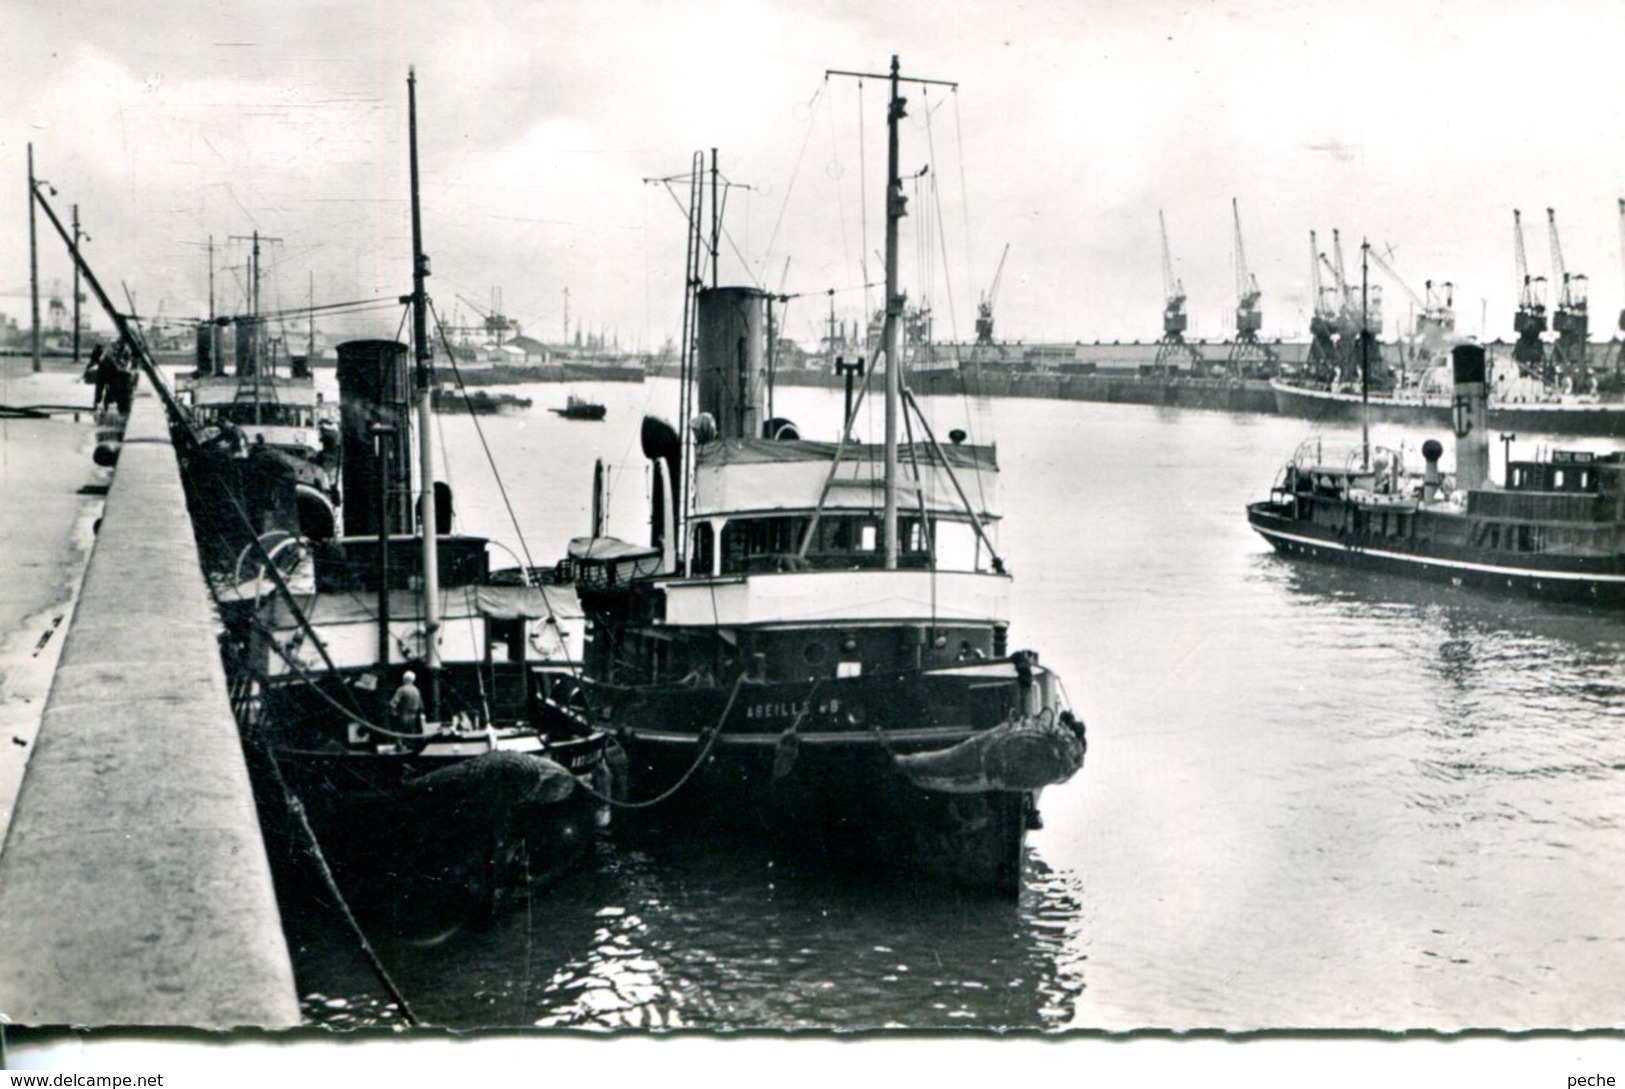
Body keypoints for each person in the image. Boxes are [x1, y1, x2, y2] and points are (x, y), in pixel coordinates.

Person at [390, 670, 424, 734]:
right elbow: (421, 705)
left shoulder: (401, 689)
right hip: (413, 717)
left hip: (402, 715)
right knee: (410, 735)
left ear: (404, 679)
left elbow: (393, 704)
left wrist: (394, 714)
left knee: (399, 734)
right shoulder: (416, 690)